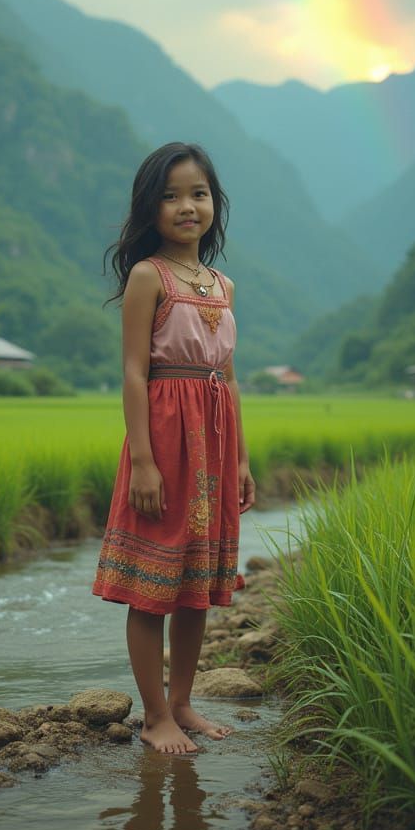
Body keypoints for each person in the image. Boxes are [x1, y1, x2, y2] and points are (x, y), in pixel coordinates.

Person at [92, 141, 255, 755]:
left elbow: (230, 376)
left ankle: (184, 702)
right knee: (153, 583)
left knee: (196, 580)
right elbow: (135, 373)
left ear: (215, 203)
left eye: (199, 193)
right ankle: (154, 714)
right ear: (149, 208)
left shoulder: (222, 284)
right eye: (170, 196)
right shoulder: (147, 276)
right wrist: (141, 460)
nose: (187, 206)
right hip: (163, 439)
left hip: (214, 443)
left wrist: (240, 458)